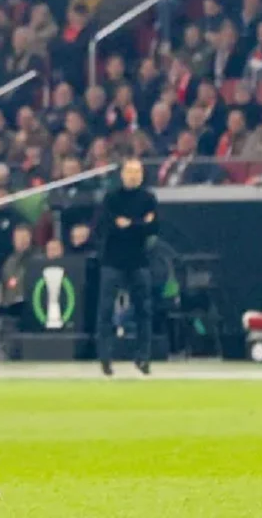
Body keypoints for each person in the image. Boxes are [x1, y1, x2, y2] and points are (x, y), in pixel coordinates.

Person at [95, 158, 158, 377]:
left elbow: (153, 228)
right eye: (129, 171)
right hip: (113, 260)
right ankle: (105, 357)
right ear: (122, 174)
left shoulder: (149, 198)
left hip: (139, 260)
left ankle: (143, 357)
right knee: (105, 310)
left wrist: (130, 225)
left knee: (144, 310)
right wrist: (140, 224)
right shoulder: (111, 198)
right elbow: (109, 226)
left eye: (137, 171)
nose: (133, 175)